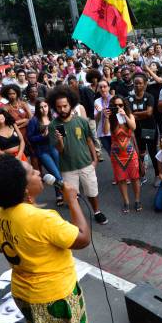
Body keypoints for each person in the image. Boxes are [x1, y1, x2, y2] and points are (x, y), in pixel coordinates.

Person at [0, 155, 90, 323]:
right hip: (56, 296)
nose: (39, 172)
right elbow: (83, 239)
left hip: (24, 294)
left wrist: (25, 249)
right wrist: (73, 201)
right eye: (32, 172)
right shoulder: (43, 219)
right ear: (24, 189)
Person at [48, 87, 108, 225]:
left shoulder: (81, 121)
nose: (62, 109)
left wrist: (95, 159)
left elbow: (88, 140)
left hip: (86, 164)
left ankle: (97, 212)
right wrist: (60, 140)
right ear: (54, 107)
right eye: (59, 107)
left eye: (65, 106)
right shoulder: (53, 126)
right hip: (67, 168)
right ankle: (79, 218)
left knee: (92, 192)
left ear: (71, 104)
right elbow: (60, 150)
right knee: (72, 196)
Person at [106, 96, 141, 212]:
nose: (118, 107)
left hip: (130, 153)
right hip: (116, 154)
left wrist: (124, 115)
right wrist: (106, 118)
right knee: (121, 179)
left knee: (135, 178)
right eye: (115, 106)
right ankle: (126, 201)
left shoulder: (129, 115)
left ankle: (137, 200)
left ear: (124, 105)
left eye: (120, 105)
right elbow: (106, 131)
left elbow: (134, 127)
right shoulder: (110, 118)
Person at [27, 98, 64, 206]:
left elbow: (61, 132)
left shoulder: (53, 117)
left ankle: (59, 195)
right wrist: (42, 136)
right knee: (56, 174)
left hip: (55, 148)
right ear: (37, 109)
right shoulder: (34, 120)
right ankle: (67, 192)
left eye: (45, 106)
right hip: (42, 151)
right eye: (41, 107)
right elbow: (30, 138)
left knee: (57, 172)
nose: (44, 109)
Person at [129, 74, 159, 186]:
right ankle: (141, 175)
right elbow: (129, 114)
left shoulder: (149, 97)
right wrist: (142, 114)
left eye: (140, 83)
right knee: (140, 153)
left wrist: (135, 114)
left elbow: (149, 113)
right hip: (136, 130)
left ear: (145, 84)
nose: (137, 85)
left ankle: (157, 175)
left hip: (150, 128)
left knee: (152, 152)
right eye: (135, 83)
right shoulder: (129, 98)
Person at [94, 80, 113, 154]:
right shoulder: (97, 101)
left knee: (116, 154)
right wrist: (99, 112)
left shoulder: (114, 99)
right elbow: (96, 119)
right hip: (102, 133)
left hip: (113, 131)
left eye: (105, 87)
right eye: (100, 87)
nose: (102, 89)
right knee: (110, 153)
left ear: (109, 88)